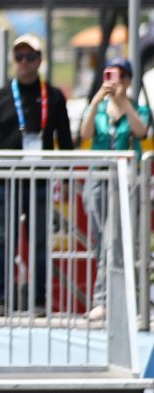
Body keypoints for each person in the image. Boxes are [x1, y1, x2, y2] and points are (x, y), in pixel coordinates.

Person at [0, 34, 73, 317]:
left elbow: (65, 141)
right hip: (5, 180)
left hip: (40, 180)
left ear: (40, 60)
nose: (24, 62)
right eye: (19, 57)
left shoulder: (54, 96)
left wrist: (67, 180)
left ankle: (40, 301)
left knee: (40, 242)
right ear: (13, 60)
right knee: (1, 239)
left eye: (30, 57)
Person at [78, 57, 149, 321]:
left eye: (120, 75)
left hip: (125, 179)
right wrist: (97, 101)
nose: (114, 81)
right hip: (98, 177)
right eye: (110, 74)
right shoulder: (99, 107)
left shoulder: (138, 108)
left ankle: (105, 300)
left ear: (129, 80)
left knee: (114, 240)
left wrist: (123, 103)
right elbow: (84, 134)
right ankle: (110, 296)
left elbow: (141, 132)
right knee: (100, 240)